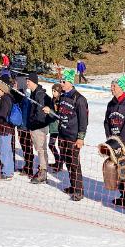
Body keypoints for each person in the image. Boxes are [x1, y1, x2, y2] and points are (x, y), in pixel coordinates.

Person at [104, 75, 125, 209]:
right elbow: (106, 122)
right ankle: (123, 194)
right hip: (114, 143)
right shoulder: (111, 103)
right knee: (118, 169)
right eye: (111, 86)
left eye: (114, 86)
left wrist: (121, 143)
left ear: (121, 88)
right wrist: (110, 140)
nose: (111, 88)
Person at [55, 69, 89, 201]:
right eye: (61, 81)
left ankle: (79, 190)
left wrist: (81, 137)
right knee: (68, 162)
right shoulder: (63, 96)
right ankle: (73, 185)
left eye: (64, 81)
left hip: (73, 137)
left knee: (74, 164)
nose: (61, 84)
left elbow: (84, 121)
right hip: (62, 135)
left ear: (70, 82)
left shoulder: (79, 99)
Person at [27, 72, 54, 183]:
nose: (27, 83)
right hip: (36, 126)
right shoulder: (34, 93)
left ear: (33, 82)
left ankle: (43, 173)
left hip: (39, 127)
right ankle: (42, 170)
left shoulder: (39, 95)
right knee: (40, 150)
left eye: (28, 81)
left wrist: (34, 123)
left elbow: (41, 114)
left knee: (41, 150)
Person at [0, 81, 15, 180]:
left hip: (4, 128)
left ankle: (7, 173)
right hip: (6, 128)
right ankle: (8, 169)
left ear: (2, 90)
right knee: (7, 150)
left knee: (4, 150)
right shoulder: (7, 98)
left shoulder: (5, 100)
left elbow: (2, 114)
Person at [47, 83, 63, 172]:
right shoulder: (52, 100)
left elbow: (58, 114)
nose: (53, 93)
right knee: (51, 145)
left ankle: (59, 164)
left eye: (55, 91)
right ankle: (57, 161)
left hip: (59, 126)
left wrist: (50, 111)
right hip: (53, 126)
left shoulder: (61, 101)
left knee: (60, 146)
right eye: (52, 91)